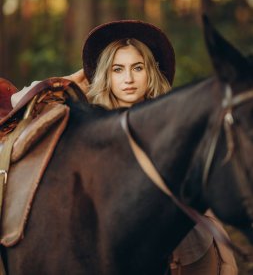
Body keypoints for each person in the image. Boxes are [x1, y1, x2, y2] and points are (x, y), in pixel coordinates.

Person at [9, 20, 238, 274]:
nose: (128, 79)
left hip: (178, 245)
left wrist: (227, 259)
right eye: (117, 69)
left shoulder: (169, 124)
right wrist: (72, 80)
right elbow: (17, 102)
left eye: (137, 68)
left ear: (150, 71)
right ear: (106, 74)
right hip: (107, 242)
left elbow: (199, 193)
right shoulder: (92, 120)